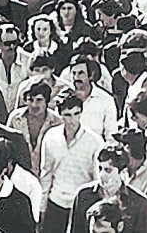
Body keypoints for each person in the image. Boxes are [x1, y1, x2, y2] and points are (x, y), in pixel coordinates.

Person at [39, 90, 102, 232]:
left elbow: (98, 180)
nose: (73, 120)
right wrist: (42, 208)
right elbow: (46, 175)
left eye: (76, 114)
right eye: (67, 115)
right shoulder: (51, 137)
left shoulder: (95, 142)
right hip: (56, 204)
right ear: (60, 114)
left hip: (82, 206)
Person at [69, 144, 147, 233]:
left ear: (122, 172)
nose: (102, 175)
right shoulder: (83, 196)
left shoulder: (140, 204)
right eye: (99, 168)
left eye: (108, 170)